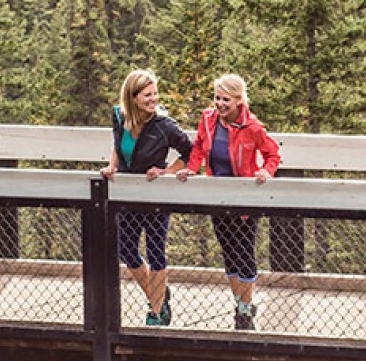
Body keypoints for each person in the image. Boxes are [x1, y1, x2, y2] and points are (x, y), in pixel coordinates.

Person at [178, 73, 282, 329]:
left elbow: (272, 154)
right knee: (228, 254)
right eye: (217, 98)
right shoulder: (208, 119)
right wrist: (192, 168)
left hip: (245, 198)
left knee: (244, 253)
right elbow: (200, 147)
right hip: (218, 195)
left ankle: (244, 309)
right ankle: (240, 303)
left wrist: (265, 172)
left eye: (225, 99)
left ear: (238, 100)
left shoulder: (253, 127)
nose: (220, 104)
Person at [101, 69, 193, 325]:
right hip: (128, 196)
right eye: (147, 95)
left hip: (155, 196)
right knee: (127, 251)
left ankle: (156, 310)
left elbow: (191, 153)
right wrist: (113, 166)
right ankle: (159, 294)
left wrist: (166, 172)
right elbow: (118, 145)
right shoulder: (119, 116)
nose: (153, 100)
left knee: (156, 253)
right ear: (132, 97)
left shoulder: (165, 125)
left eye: (155, 94)